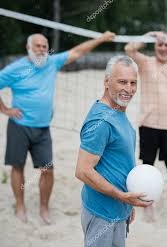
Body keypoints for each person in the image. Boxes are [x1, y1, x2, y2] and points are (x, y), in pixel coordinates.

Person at [0, 31, 115, 224]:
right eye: (38, 45)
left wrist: (102, 39)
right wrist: (5, 109)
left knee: (47, 169)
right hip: (19, 126)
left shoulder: (51, 63)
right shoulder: (17, 68)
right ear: (28, 48)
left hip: (43, 129)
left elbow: (78, 52)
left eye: (45, 46)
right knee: (18, 167)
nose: (42, 49)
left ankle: (44, 207)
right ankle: (20, 206)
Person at [75, 55, 153, 247]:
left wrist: (127, 205)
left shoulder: (117, 112)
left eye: (133, 82)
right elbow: (82, 171)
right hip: (103, 213)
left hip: (117, 210)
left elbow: (119, 162)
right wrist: (121, 196)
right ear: (107, 81)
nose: (128, 88)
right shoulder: (101, 121)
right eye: (122, 81)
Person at [125, 31, 167, 220]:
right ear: (155, 47)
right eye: (160, 45)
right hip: (148, 125)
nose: (163, 48)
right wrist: (149, 36)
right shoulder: (146, 63)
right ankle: (148, 205)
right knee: (147, 166)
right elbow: (129, 48)